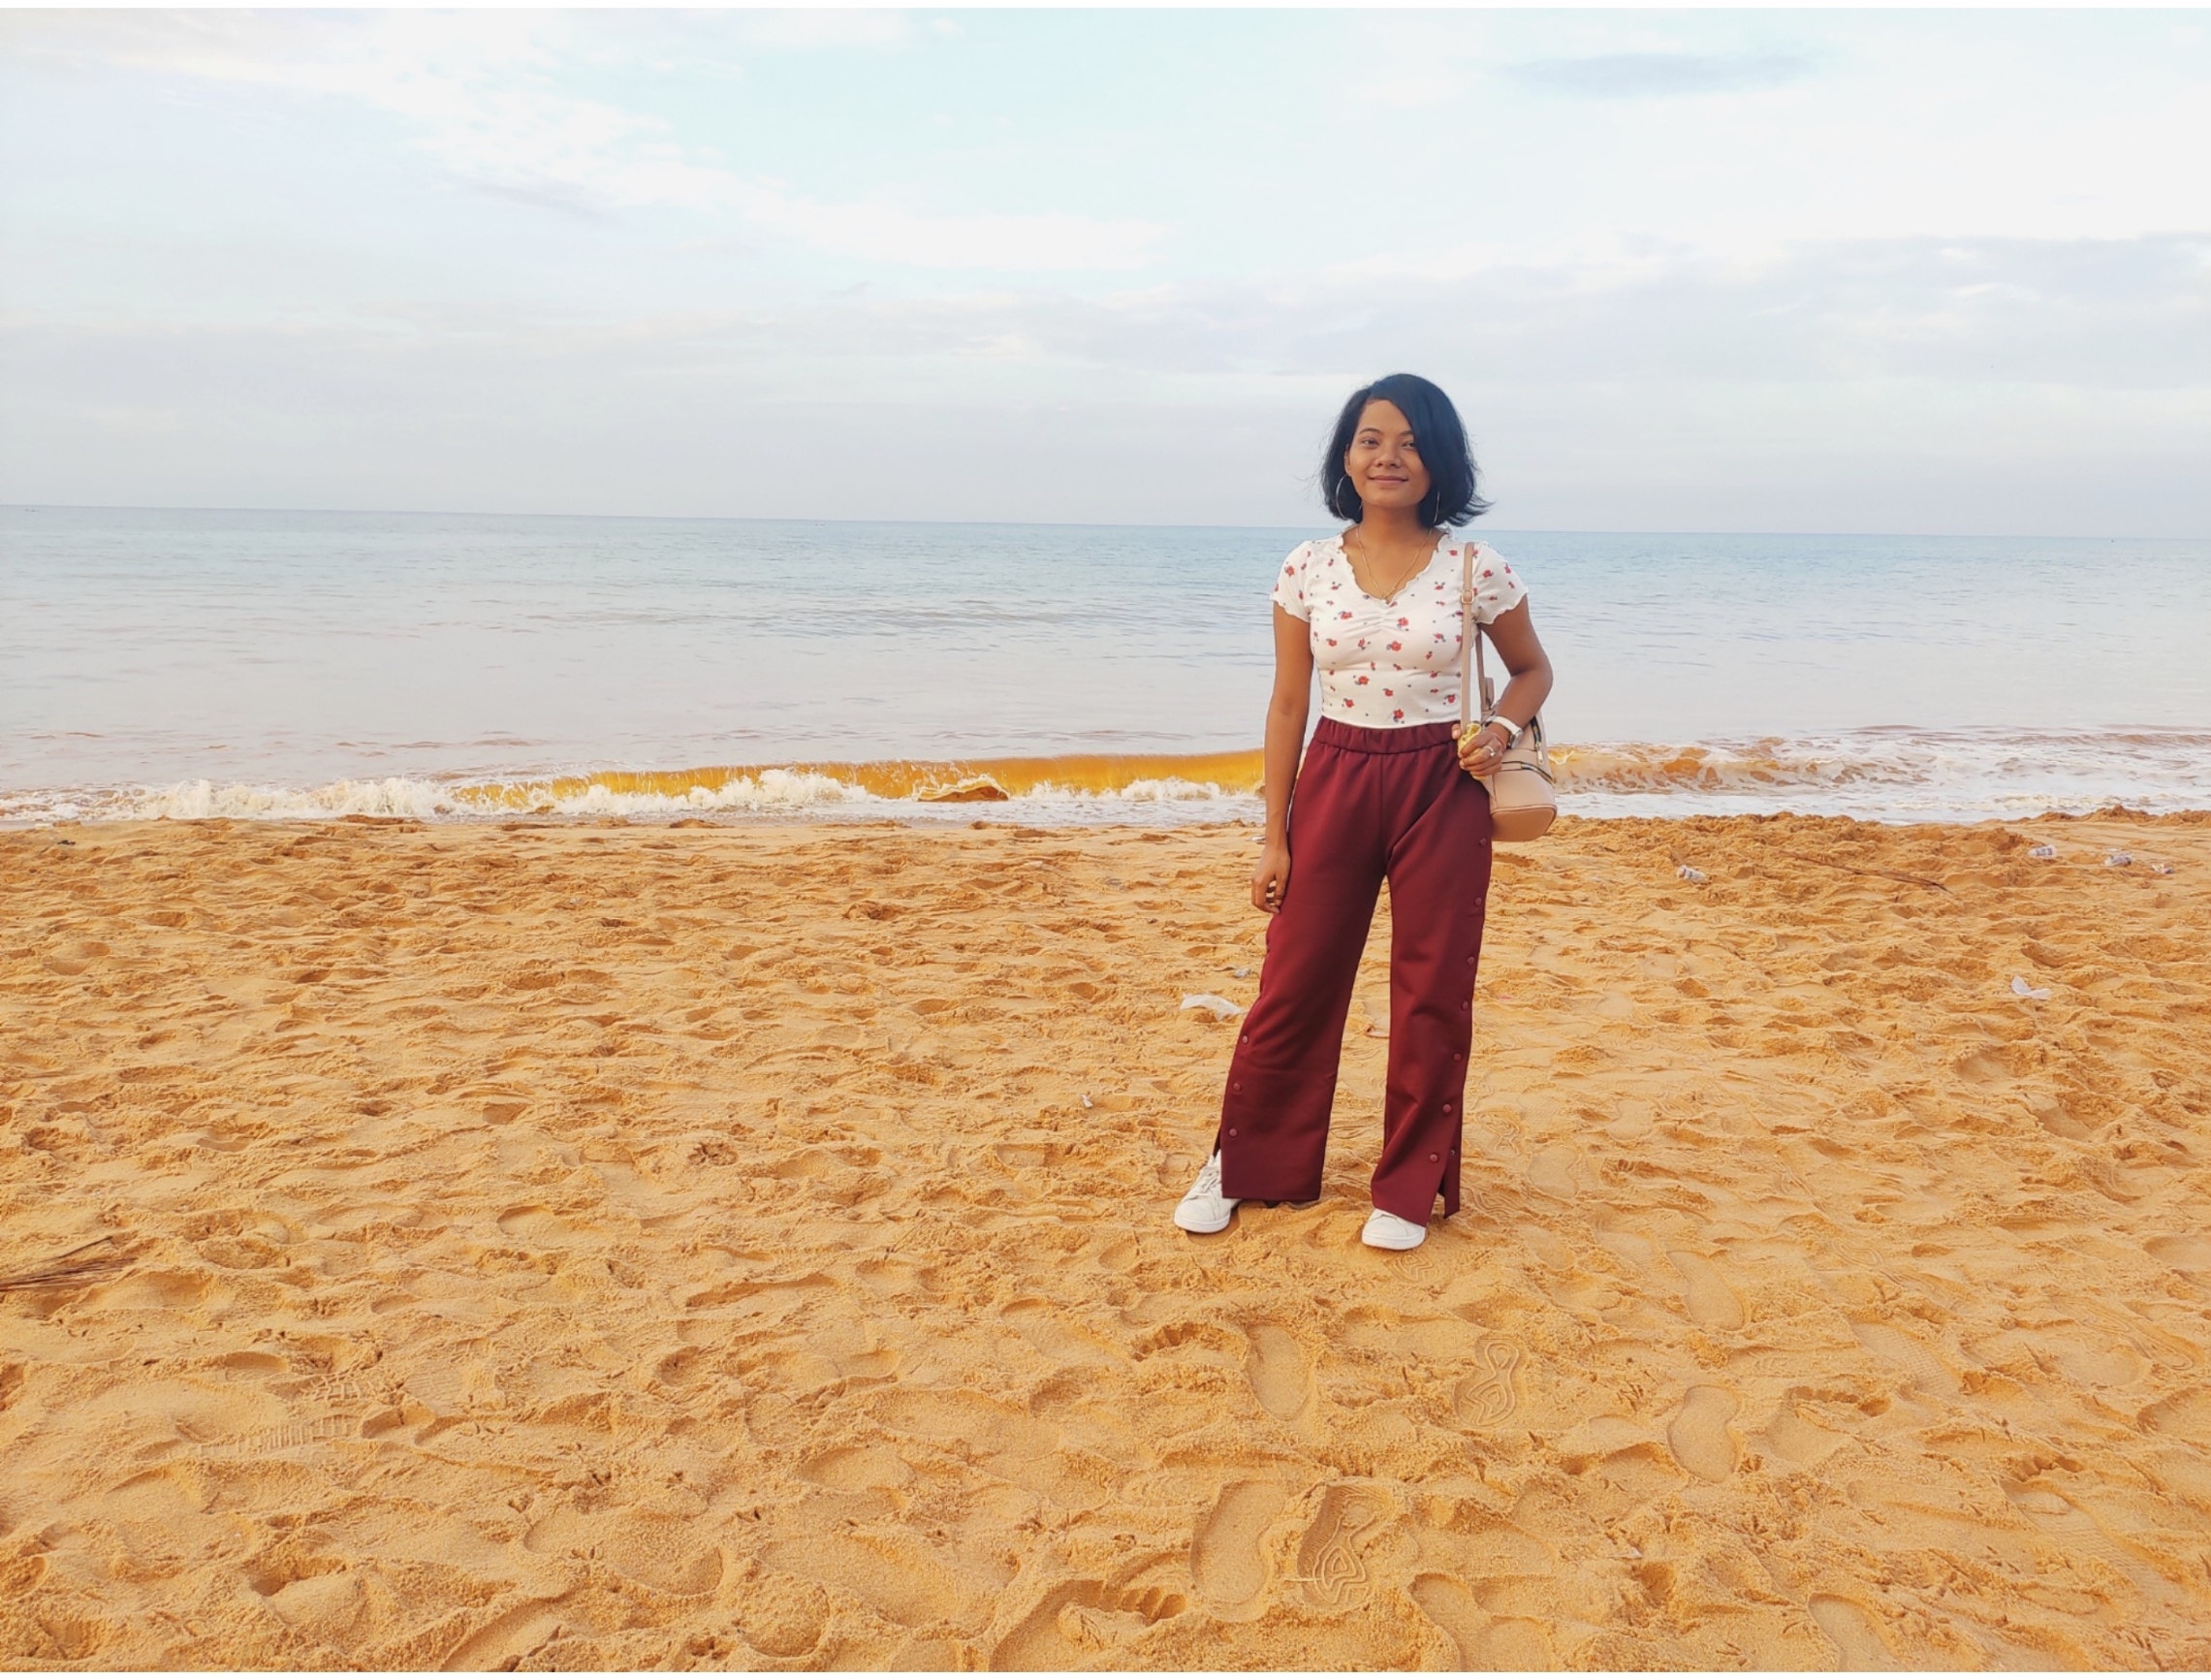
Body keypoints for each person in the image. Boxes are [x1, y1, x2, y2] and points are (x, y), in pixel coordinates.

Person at [1175, 373, 1555, 1251]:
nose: (1389, 457)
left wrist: (1497, 731)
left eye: (1412, 442)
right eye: (1370, 439)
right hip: (1335, 774)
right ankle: (1243, 1166)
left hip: (1443, 784)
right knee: (1293, 981)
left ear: (1441, 462)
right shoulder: (1306, 565)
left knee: (1431, 991)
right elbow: (1285, 705)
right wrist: (1272, 833)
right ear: (1345, 455)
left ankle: (1407, 1186)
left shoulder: (1476, 566)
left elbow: (1534, 671)